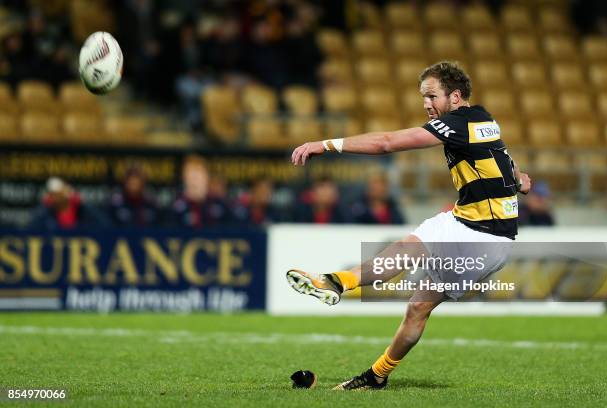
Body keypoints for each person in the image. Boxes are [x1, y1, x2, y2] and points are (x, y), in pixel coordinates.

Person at [285, 61, 531, 390]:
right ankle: (369, 358)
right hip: (466, 220)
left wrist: (326, 145)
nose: (426, 104)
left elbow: (387, 142)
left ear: (455, 97)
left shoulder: (457, 124)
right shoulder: (483, 118)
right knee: (415, 297)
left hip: (484, 238)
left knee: (416, 294)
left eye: (432, 96)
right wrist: (520, 180)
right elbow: (503, 156)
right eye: (423, 97)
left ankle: (341, 292)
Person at [170, 155, 233, 228]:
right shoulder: (175, 208)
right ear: (184, 179)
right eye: (190, 176)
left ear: (206, 177)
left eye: (197, 176)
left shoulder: (221, 205)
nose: (194, 181)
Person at [30, 177, 110, 230]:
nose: (57, 197)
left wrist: (82, 204)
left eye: (60, 193)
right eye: (53, 194)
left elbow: (104, 225)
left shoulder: (82, 208)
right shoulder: (44, 212)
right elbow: (32, 229)